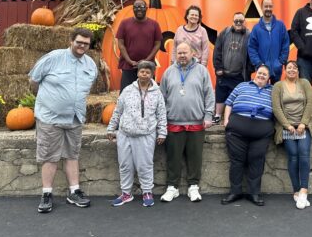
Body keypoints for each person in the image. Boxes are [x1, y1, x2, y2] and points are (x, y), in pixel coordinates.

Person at [29, 27, 98, 214]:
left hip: (75, 117)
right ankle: (46, 194)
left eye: (86, 43)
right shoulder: (53, 58)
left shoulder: (90, 64)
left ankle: (74, 192)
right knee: (49, 156)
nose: (82, 46)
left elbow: (86, 88)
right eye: (79, 42)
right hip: (50, 118)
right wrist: (50, 101)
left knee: (72, 154)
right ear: (71, 41)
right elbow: (34, 81)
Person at [159, 41, 214, 202]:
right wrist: (161, 120)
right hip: (173, 122)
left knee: (195, 157)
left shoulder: (202, 71)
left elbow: (209, 94)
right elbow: (161, 98)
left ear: (193, 53)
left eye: (185, 52)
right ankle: (172, 187)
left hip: (196, 121)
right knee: (173, 157)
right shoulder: (168, 72)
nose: (182, 55)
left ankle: (193, 187)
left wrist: (208, 115)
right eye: (179, 53)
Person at [107, 61, 167, 207]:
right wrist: (111, 128)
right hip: (125, 133)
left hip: (146, 135)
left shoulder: (157, 93)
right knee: (125, 165)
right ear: (137, 73)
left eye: (147, 72)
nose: (144, 74)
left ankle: (147, 191)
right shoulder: (127, 90)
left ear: (152, 74)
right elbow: (118, 110)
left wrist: (162, 132)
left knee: (144, 165)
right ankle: (126, 193)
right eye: (142, 71)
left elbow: (161, 114)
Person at [221, 65, 274, 206]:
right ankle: (235, 191)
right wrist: (226, 120)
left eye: (265, 74)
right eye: (260, 73)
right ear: (255, 74)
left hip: (261, 131)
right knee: (237, 161)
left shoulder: (273, 91)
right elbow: (229, 103)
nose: (261, 76)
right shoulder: (242, 86)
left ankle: (254, 193)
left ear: (269, 78)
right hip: (237, 129)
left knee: (256, 161)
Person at [271, 60, 312, 209]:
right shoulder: (278, 86)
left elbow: (310, 103)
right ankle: (296, 191)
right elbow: (276, 108)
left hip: (303, 126)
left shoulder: (304, 83)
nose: (292, 70)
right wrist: (287, 125)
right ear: (285, 70)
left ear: (298, 71)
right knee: (293, 155)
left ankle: (303, 190)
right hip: (286, 127)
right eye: (289, 68)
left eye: (294, 68)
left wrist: (303, 123)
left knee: (303, 153)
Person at [116, 0, 162, 92]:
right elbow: (120, 44)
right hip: (128, 65)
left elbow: (157, 44)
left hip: (148, 66)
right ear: (133, 9)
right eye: (136, 7)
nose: (138, 9)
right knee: (126, 92)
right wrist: (129, 60)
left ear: (146, 8)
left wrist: (147, 60)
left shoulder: (154, 24)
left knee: (148, 93)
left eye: (141, 7)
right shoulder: (124, 23)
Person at [213, 12, 251, 124]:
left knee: (237, 97)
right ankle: (218, 115)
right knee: (220, 94)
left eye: (241, 21)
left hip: (239, 74)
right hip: (223, 72)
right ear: (232, 22)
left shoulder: (249, 35)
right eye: (236, 21)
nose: (238, 23)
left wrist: (248, 70)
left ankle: (233, 117)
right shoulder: (224, 32)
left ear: (245, 22)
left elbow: (252, 53)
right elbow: (217, 50)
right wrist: (218, 67)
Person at [248, 0, 290, 84]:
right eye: (266, 6)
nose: (268, 9)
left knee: (275, 94)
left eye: (270, 6)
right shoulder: (256, 28)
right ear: (261, 8)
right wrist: (259, 64)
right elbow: (252, 48)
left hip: (276, 69)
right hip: (262, 70)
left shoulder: (280, 25)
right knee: (262, 94)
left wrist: (280, 62)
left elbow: (285, 45)